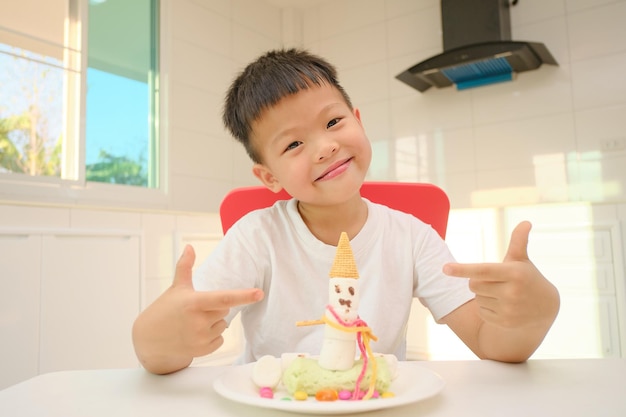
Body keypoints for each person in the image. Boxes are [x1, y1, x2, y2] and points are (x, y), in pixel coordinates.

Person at [132, 48, 560, 375]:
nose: (325, 146)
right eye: (294, 144)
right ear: (270, 178)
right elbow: (159, 351)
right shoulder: (256, 237)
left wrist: (533, 317)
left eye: (333, 122)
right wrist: (157, 340)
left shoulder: (412, 237)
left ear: (357, 119)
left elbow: (491, 342)